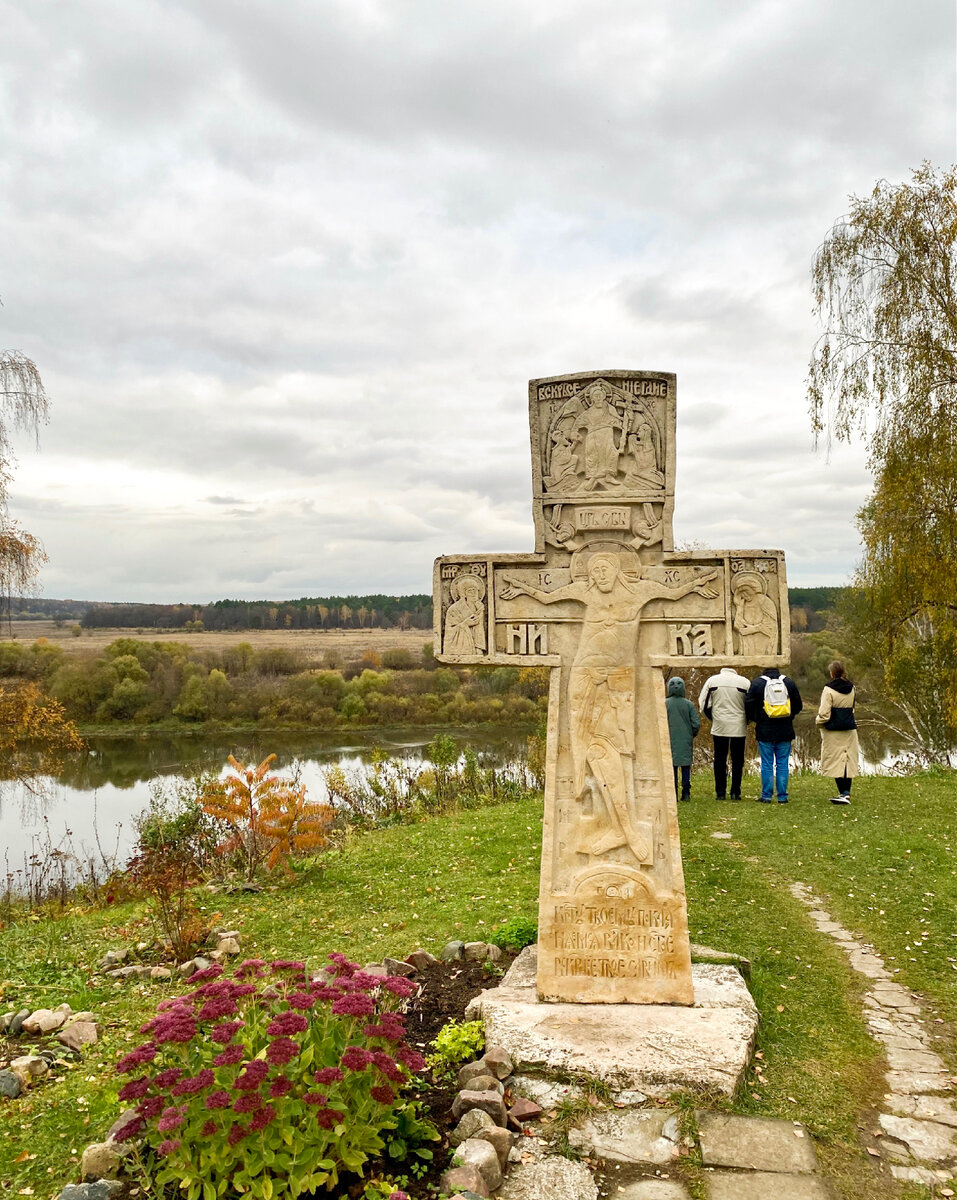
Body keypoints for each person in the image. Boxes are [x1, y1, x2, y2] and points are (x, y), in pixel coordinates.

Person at [745, 668, 803, 803]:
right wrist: (789, 716)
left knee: (767, 763)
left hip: (765, 730)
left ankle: (766, 796)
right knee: (782, 763)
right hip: (785, 729)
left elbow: (748, 705)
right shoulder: (788, 682)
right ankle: (782, 796)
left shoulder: (758, 684)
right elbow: (798, 705)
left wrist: (757, 718)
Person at [698, 666, 750, 800]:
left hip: (719, 725)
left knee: (720, 759)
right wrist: (746, 720)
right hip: (739, 726)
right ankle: (735, 792)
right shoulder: (744, 682)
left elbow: (703, 703)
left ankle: (720, 792)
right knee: (738, 760)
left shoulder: (712, 681)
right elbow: (750, 704)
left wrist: (713, 718)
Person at [816, 660, 860, 805]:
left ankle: (842, 793)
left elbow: (824, 713)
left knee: (835, 761)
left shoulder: (828, 690)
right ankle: (846, 793)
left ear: (831, 673)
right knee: (847, 760)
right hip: (849, 729)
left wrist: (819, 722)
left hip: (833, 730)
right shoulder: (852, 688)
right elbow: (852, 708)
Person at [666, 676, 700, 801]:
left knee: (671, 767)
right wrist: (691, 734)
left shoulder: (664, 704)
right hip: (686, 740)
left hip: (668, 740)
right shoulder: (689, 705)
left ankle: (672, 792)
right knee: (686, 766)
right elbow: (696, 724)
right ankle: (686, 793)